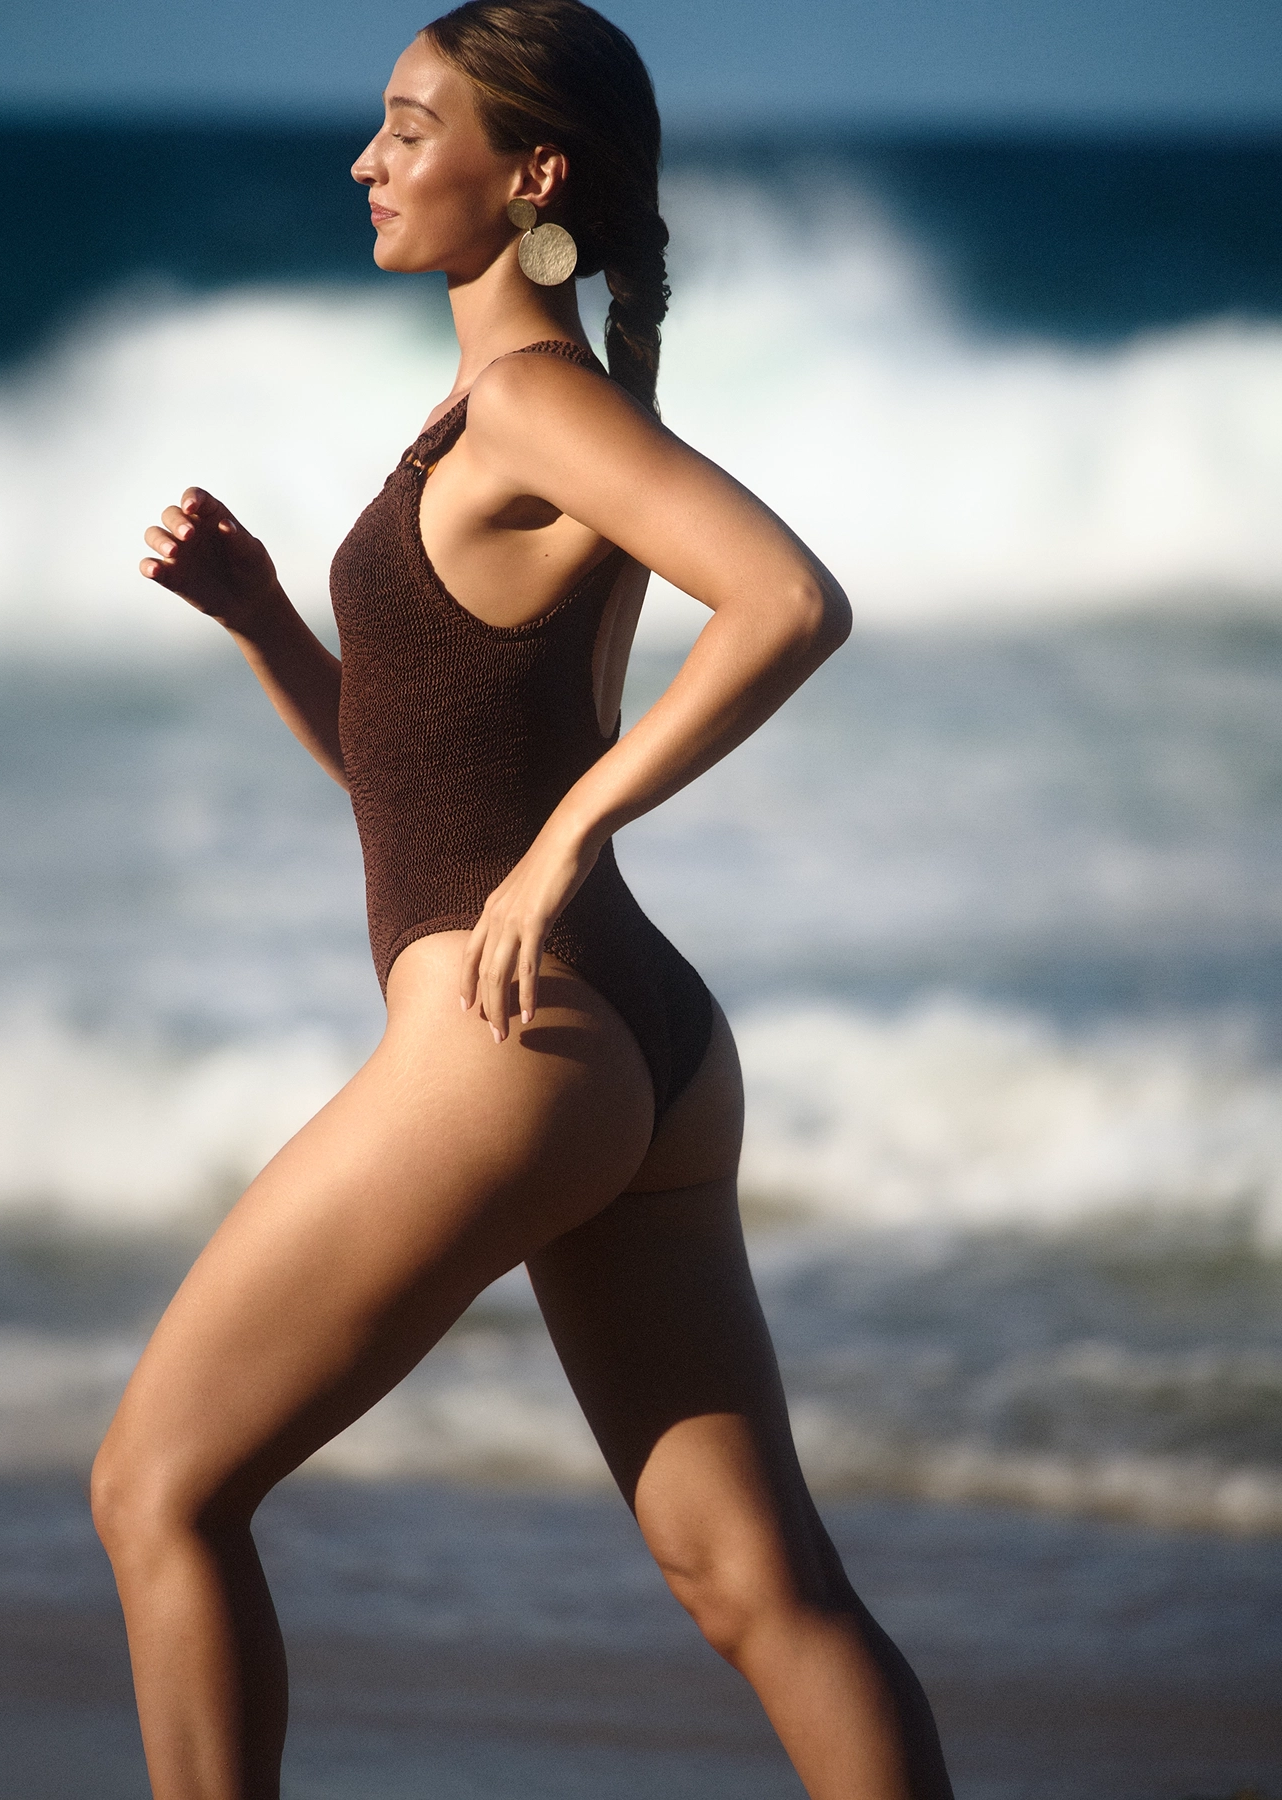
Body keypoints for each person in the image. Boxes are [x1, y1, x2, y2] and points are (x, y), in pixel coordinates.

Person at [92, 2, 955, 1794]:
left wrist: (568, 841)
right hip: (635, 1043)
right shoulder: (519, 408)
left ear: (530, 174)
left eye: (412, 130)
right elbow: (424, 794)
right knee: (759, 1586)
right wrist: (266, 625)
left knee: (156, 1491)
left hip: (514, 1039)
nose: (368, 161)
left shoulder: (532, 399)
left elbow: (790, 602)